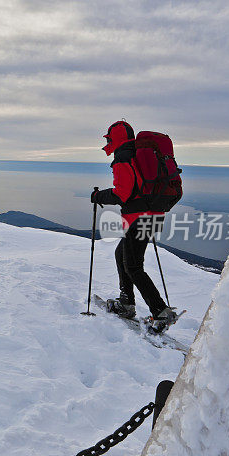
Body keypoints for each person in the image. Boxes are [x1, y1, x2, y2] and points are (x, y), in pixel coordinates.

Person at [90, 120, 177, 333]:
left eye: (109, 138)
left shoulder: (123, 158)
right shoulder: (136, 155)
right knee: (123, 254)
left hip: (139, 217)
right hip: (154, 214)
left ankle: (160, 312)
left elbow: (122, 193)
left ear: (116, 139)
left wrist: (98, 196)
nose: (108, 143)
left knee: (133, 266)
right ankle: (127, 301)